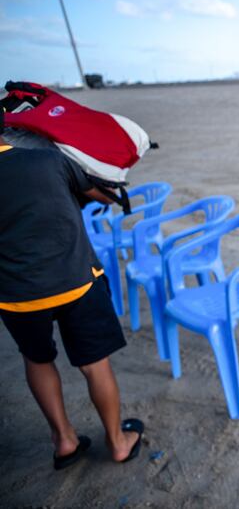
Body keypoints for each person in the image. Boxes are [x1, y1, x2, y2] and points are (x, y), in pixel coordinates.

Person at [0, 111, 144, 470]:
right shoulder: (46, 159)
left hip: (16, 293)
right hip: (76, 280)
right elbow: (105, 196)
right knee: (95, 365)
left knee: (37, 359)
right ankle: (118, 442)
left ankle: (64, 439)